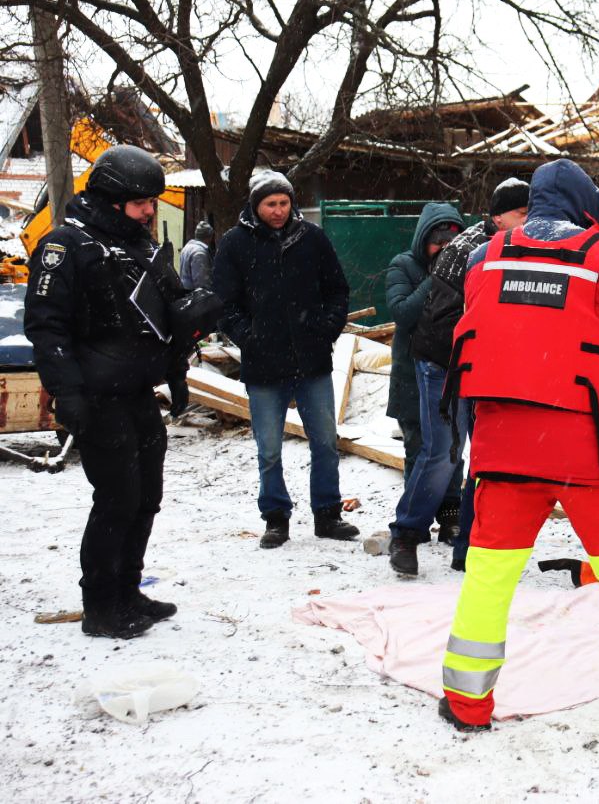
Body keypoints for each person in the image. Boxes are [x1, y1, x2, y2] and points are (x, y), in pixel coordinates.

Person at [438, 159, 599, 731]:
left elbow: (487, 327)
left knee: (489, 573)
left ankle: (466, 703)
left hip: (504, 444)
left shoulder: (489, 256)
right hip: (587, 449)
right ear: (588, 211)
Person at [24, 144, 192, 639]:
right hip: (97, 396)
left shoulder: (138, 246)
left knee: (146, 497)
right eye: (142, 201)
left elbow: (163, 319)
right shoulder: (65, 246)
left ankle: (128, 589)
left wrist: (179, 366)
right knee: (117, 498)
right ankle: (100, 605)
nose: (150, 211)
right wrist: (67, 393)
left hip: (139, 390)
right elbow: (46, 326)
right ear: (114, 197)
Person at [212, 170, 359, 549]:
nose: (278, 211)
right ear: (255, 205)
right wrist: (248, 337)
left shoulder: (313, 240)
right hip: (263, 366)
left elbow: (338, 290)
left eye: (283, 202)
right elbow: (224, 304)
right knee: (270, 448)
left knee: (325, 441)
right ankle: (276, 518)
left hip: (311, 361)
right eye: (270, 204)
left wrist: (325, 329)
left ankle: (327, 513)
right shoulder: (235, 244)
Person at [396, 178, 529, 574]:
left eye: (532, 213)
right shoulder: (468, 251)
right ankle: (406, 534)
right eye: (521, 215)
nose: (528, 222)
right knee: (442, 454)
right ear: (496, 217)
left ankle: (468, 546)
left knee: (486, 456)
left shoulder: (523, 249)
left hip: (487, 365)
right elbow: (447, 319)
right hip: (443, 361)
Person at [385, 202, 464, 480]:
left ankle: (450, 515)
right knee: (418, 451)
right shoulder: (403, 265)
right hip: (411, 379)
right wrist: (437, 277)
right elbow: (402, 312)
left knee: (452, 452)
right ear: (423, 240)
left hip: (450, 376)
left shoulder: (467, 267)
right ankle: (413, 520)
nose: (444, 248)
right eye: (437, 242)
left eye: (451, 242)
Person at [179, 219, 215, 290]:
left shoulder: (187, 247)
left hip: (186, 294)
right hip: (194, 296)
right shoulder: (200, 253)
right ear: (209, 237)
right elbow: (201, 283)